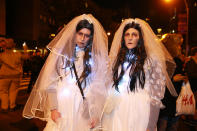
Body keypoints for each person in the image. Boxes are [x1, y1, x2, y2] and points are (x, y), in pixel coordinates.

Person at [23, 14, 109, 131]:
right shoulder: (61, 55)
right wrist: (53, 108)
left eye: (87, 35)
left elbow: (98, 88)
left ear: (91, 37)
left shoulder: (96, 58)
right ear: (75, 34)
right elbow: (50, 83)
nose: (82, 38)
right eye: (80, 34)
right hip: (64, 104)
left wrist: (95, 113)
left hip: (84, 106)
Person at [102, 18, 177, 131]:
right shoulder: (117, 59)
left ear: (140, 38)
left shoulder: (151, 60)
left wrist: (151, 124)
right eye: (127, 34)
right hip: (117, 109)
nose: (130, 37)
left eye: (134, 34)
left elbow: (156, 96)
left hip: (139, 109)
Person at [157, 33, 187, 131]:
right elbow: (158, 79)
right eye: (178, 44)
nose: (179, 47)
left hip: (175, 98)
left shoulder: (175, 59)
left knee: (172, 125)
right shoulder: (165, 60)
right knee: (164, 125)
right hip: (166, 99)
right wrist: (173, 79)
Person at [0, 37, 28, 113]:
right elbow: (26, 57)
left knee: (3, 92)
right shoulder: (18, 54)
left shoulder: (1, 55)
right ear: (13, 45)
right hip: (16, 76)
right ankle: (12, 106)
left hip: (4, 76)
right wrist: (25, 47)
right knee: (13, 91)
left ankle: (4, 107)